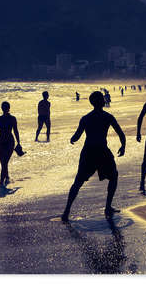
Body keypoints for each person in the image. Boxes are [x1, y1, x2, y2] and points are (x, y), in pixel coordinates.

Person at [61, 91, 126, 221]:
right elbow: (120, 133)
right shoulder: (108, 116)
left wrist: (72, 139)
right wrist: (123, 146)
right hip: (102, 151)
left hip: (88, 152)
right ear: (100, 102)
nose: (103, 100)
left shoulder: (86, 118)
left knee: (78, 182)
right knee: (113, 177)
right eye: (102, 98)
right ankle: (107, 207)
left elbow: (77, 136)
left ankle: (66, 211)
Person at [0, 101, 20, 187]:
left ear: (2, 108)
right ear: (8, 108)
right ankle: (7, 178)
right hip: (8, 142)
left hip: (3, 142)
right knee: (4, 162)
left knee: (4, 162)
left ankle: (1, 182)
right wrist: (18, 142)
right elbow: (15, 131)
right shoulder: (12, 118)